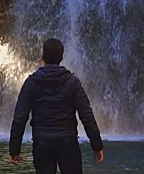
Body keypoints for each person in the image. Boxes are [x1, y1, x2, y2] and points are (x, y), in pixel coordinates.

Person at [8, 38, 104, 173]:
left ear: (42, 57)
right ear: (62, 57)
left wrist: (14, 149)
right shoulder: (73, 82)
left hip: (42, 143)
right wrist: (97, 145)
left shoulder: (31, 83)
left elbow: (20, 117)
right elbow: (86, 115)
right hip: (68, 142)